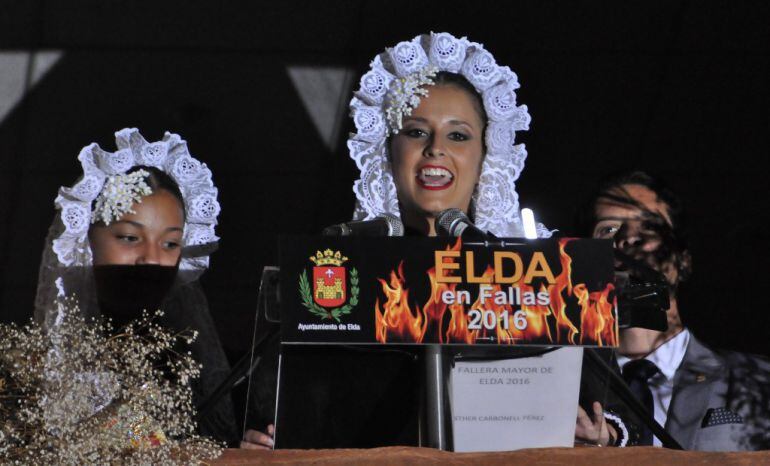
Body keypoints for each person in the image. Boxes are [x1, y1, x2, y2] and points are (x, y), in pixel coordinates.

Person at [242, 32, 585, 450]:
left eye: (458, 136)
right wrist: (264, 442)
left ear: (485, 156)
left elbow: (601, 408)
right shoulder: (338, 267)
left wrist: (607, 433)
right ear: (389, 152)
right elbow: (278, 404)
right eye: (416, 132)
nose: (436, 149)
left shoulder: (536, 274)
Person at [34, 128, 238, 445]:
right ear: (86, 239)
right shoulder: (40, 361)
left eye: (171, 243)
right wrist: (140, 431)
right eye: (130, 238)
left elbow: (197, 443)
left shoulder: (190, 361)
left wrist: (247, 450)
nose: (152, 259)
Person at [576, 170, 770, 450]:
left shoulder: (758, 381)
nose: (629, 239)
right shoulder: (564, 390)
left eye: (650, 226)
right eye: (608, 229)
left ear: (684, 262)